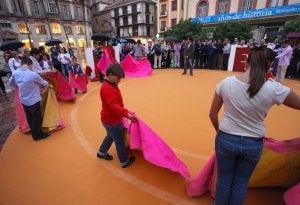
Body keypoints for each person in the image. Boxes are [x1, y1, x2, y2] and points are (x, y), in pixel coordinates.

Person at [209, 47, 300, 205]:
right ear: (270, 65)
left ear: (246, 61)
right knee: (240, 183)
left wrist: (221, 132)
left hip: (226, 138)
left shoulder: (226, 83)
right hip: (253, 143)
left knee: (223, 181)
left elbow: (212, 114)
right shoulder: (274, 88)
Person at [97, 63, 136, 168]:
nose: (119, 80)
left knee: (110, 136)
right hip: (112, 121)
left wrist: (124, 112)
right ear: (110, 74)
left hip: (108, 119)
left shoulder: (109, 85)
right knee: (119, 140)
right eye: (118, 77)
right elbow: (113, 106)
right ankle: (124, 161)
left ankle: (101, 152)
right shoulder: (107, 88)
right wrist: (126, 114)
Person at [9, 57, 51, 141]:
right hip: (33, 99)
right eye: (32, 65)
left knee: (29, 117)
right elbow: (43, 83)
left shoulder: (15, 72)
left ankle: (34, 132)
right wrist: (49, 84)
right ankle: (37, 135)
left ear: (21, 64)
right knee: (36, 117)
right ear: (30, 64)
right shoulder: (32, 74)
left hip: (23, 99)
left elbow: (11, 82)